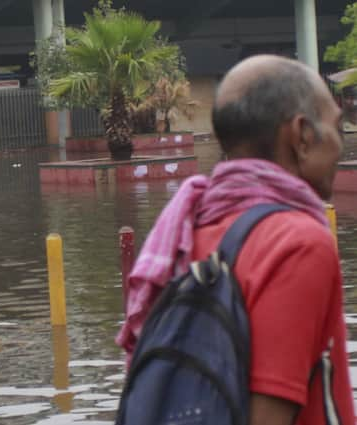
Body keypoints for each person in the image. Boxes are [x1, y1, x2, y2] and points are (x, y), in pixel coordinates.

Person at [117, 54, 353, 425]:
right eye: (338, 127)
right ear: (302, 135)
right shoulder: (299, 242)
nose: (342, 144)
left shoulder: (185, 228)